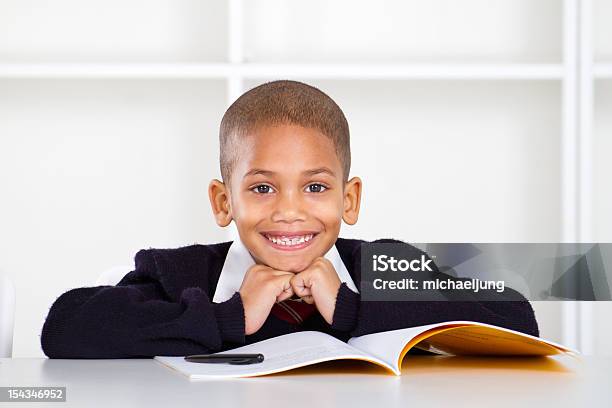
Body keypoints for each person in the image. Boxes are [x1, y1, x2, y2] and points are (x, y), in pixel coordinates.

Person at [40, 80, 538, 358]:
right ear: (222, 202)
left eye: (316, 187)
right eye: (261, 188)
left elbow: (515, 317)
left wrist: (351, 308)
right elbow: (65, 327)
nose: (289, 211)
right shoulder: (182, 274)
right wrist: (227, 317)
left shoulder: (381, 265)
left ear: (350, 200)